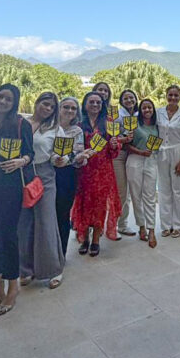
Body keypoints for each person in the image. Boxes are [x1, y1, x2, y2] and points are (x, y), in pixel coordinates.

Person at [0, 83, 33, 316]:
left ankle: (13, 285)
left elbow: (30, 153)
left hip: (11, 184)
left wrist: (21, 161)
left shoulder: (21, 124)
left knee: (9, 234)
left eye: (8, 99)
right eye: (0, 97)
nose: (2, 102)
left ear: (14, 103)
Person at [18, 92, 65, 288]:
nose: (48, 109)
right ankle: (25, 269)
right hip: (21, 175)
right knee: (24, 224)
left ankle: (53, 269)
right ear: (37, 102)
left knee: (46, 221)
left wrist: (60, 159)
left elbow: (59, 153)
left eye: (52, 107)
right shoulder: (21, 124)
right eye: (45, 104)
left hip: (44, 174)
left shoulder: (55, 129)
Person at [72, 91, 122, 256]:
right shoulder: (78, 124)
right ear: (85, 104)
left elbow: (114, 150)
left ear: (102, 106)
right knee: (84, 204)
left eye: (98, 103)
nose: (95, 105)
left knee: (99, 205)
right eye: (91, 102)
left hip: (103, 170)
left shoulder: (108, 123)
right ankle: (84, 239)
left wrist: (114, 144)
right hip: (84, 169)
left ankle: (95, 240)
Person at [156, 85, 180, 237]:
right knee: (164, 189)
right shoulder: (158, 113)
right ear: (166, 95)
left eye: (176, 95)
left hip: (177, 151)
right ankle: (166, 225)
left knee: (179, 189)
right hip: (161, 152)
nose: (173, 98)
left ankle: (179, 224)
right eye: (170, 95)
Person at [54, 97, 86, 257]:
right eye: (66, 107)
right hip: (46, 174)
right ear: (59, 108)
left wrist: (75, 158)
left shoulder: (77, 131)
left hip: (66, 175)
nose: (69, 111)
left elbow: (78, 154)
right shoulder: (49, 127)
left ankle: (61, 254)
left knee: (62, 215)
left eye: (73, 108)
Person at [126, 99, 160, 247]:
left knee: (150, 196)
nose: (147, 110)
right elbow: (126, 145)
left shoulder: (157, 125)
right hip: (135, 160)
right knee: (136, 195)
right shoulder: (134, 124)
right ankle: (141, 226)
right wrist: (140, 152)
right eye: (144, 108)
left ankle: (151, 229)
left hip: (151, 161)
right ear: (140, 110)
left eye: (149, 107)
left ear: (153, 109)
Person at [113, 89, 139, 239]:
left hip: (134, 155)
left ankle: (123, 223)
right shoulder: (117, 116)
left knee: (128, 192)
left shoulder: (138, 115)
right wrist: (124, 138)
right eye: (126, 98)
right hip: (120, 155)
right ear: (121, 101)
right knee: (121, 192)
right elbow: (111, 137)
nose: (129, 100)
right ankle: (115, 225)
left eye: (131, 97)